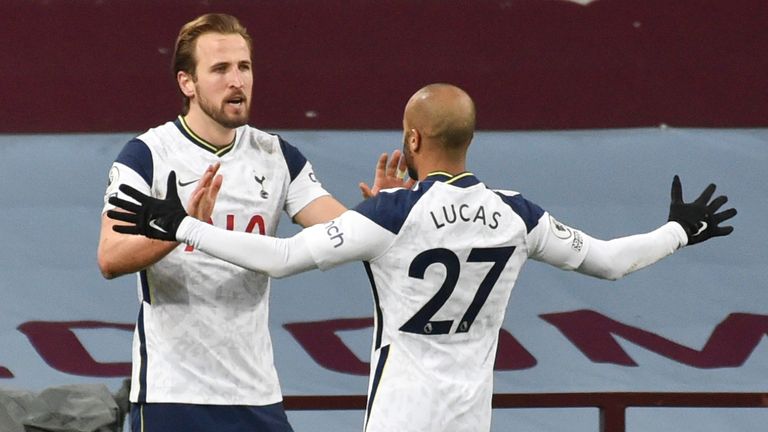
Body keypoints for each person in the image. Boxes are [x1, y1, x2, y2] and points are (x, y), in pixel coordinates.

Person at [107, 83, 737, 432]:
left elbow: (281, 257)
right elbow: (609, 261)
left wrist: (186, 226)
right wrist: (678, 230)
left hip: (400, 417)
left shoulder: (394, 213)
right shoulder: (516, 214)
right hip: (470, 418)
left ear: (412, 139)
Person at [97, 13, 407, 432]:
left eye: (244, 67)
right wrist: (180, 226)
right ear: (187, 83)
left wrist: (381, 213)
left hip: (256, 393)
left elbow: (340, 228)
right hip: (173, 394)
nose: (237, 81)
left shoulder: (276, 156)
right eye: (220, 69)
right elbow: (111, 258)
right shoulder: (147, 156)